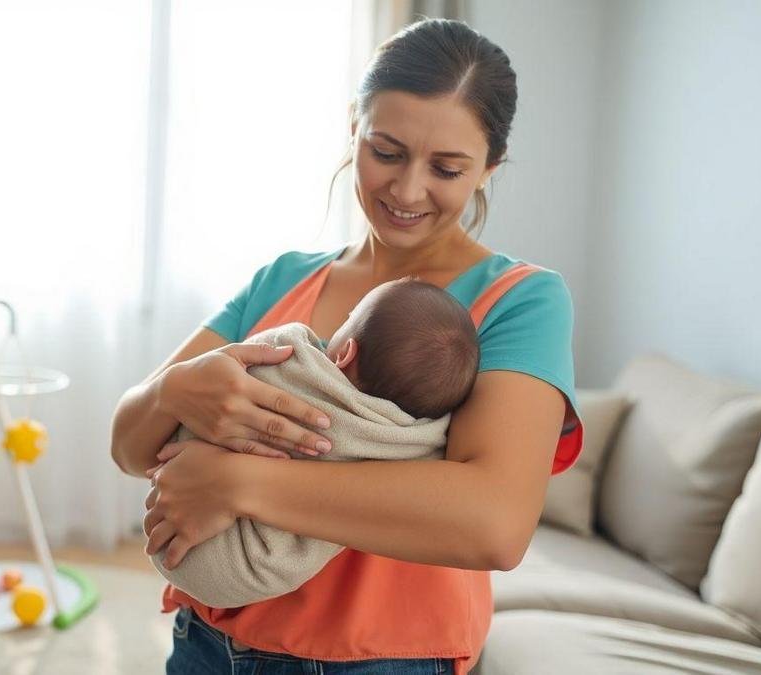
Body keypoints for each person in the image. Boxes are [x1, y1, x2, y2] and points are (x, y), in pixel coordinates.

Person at [111, 17, 583, 675]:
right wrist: (173, 389)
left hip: (382, 660)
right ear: (353, 130)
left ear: (489, 168)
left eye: (447, 167)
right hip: (205, 643)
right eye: (386, 151)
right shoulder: (283, 279)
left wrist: (239, 480)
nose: (408, 189)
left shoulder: (519, 300)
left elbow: (495, 523)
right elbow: (129, 443)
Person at [147, 279, 480, 608]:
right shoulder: (413, 444)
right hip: (253, 575)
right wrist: (169, 389)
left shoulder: (291, 357)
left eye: (347, 320)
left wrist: (229, 476)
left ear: (346, 352)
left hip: (181, 524)